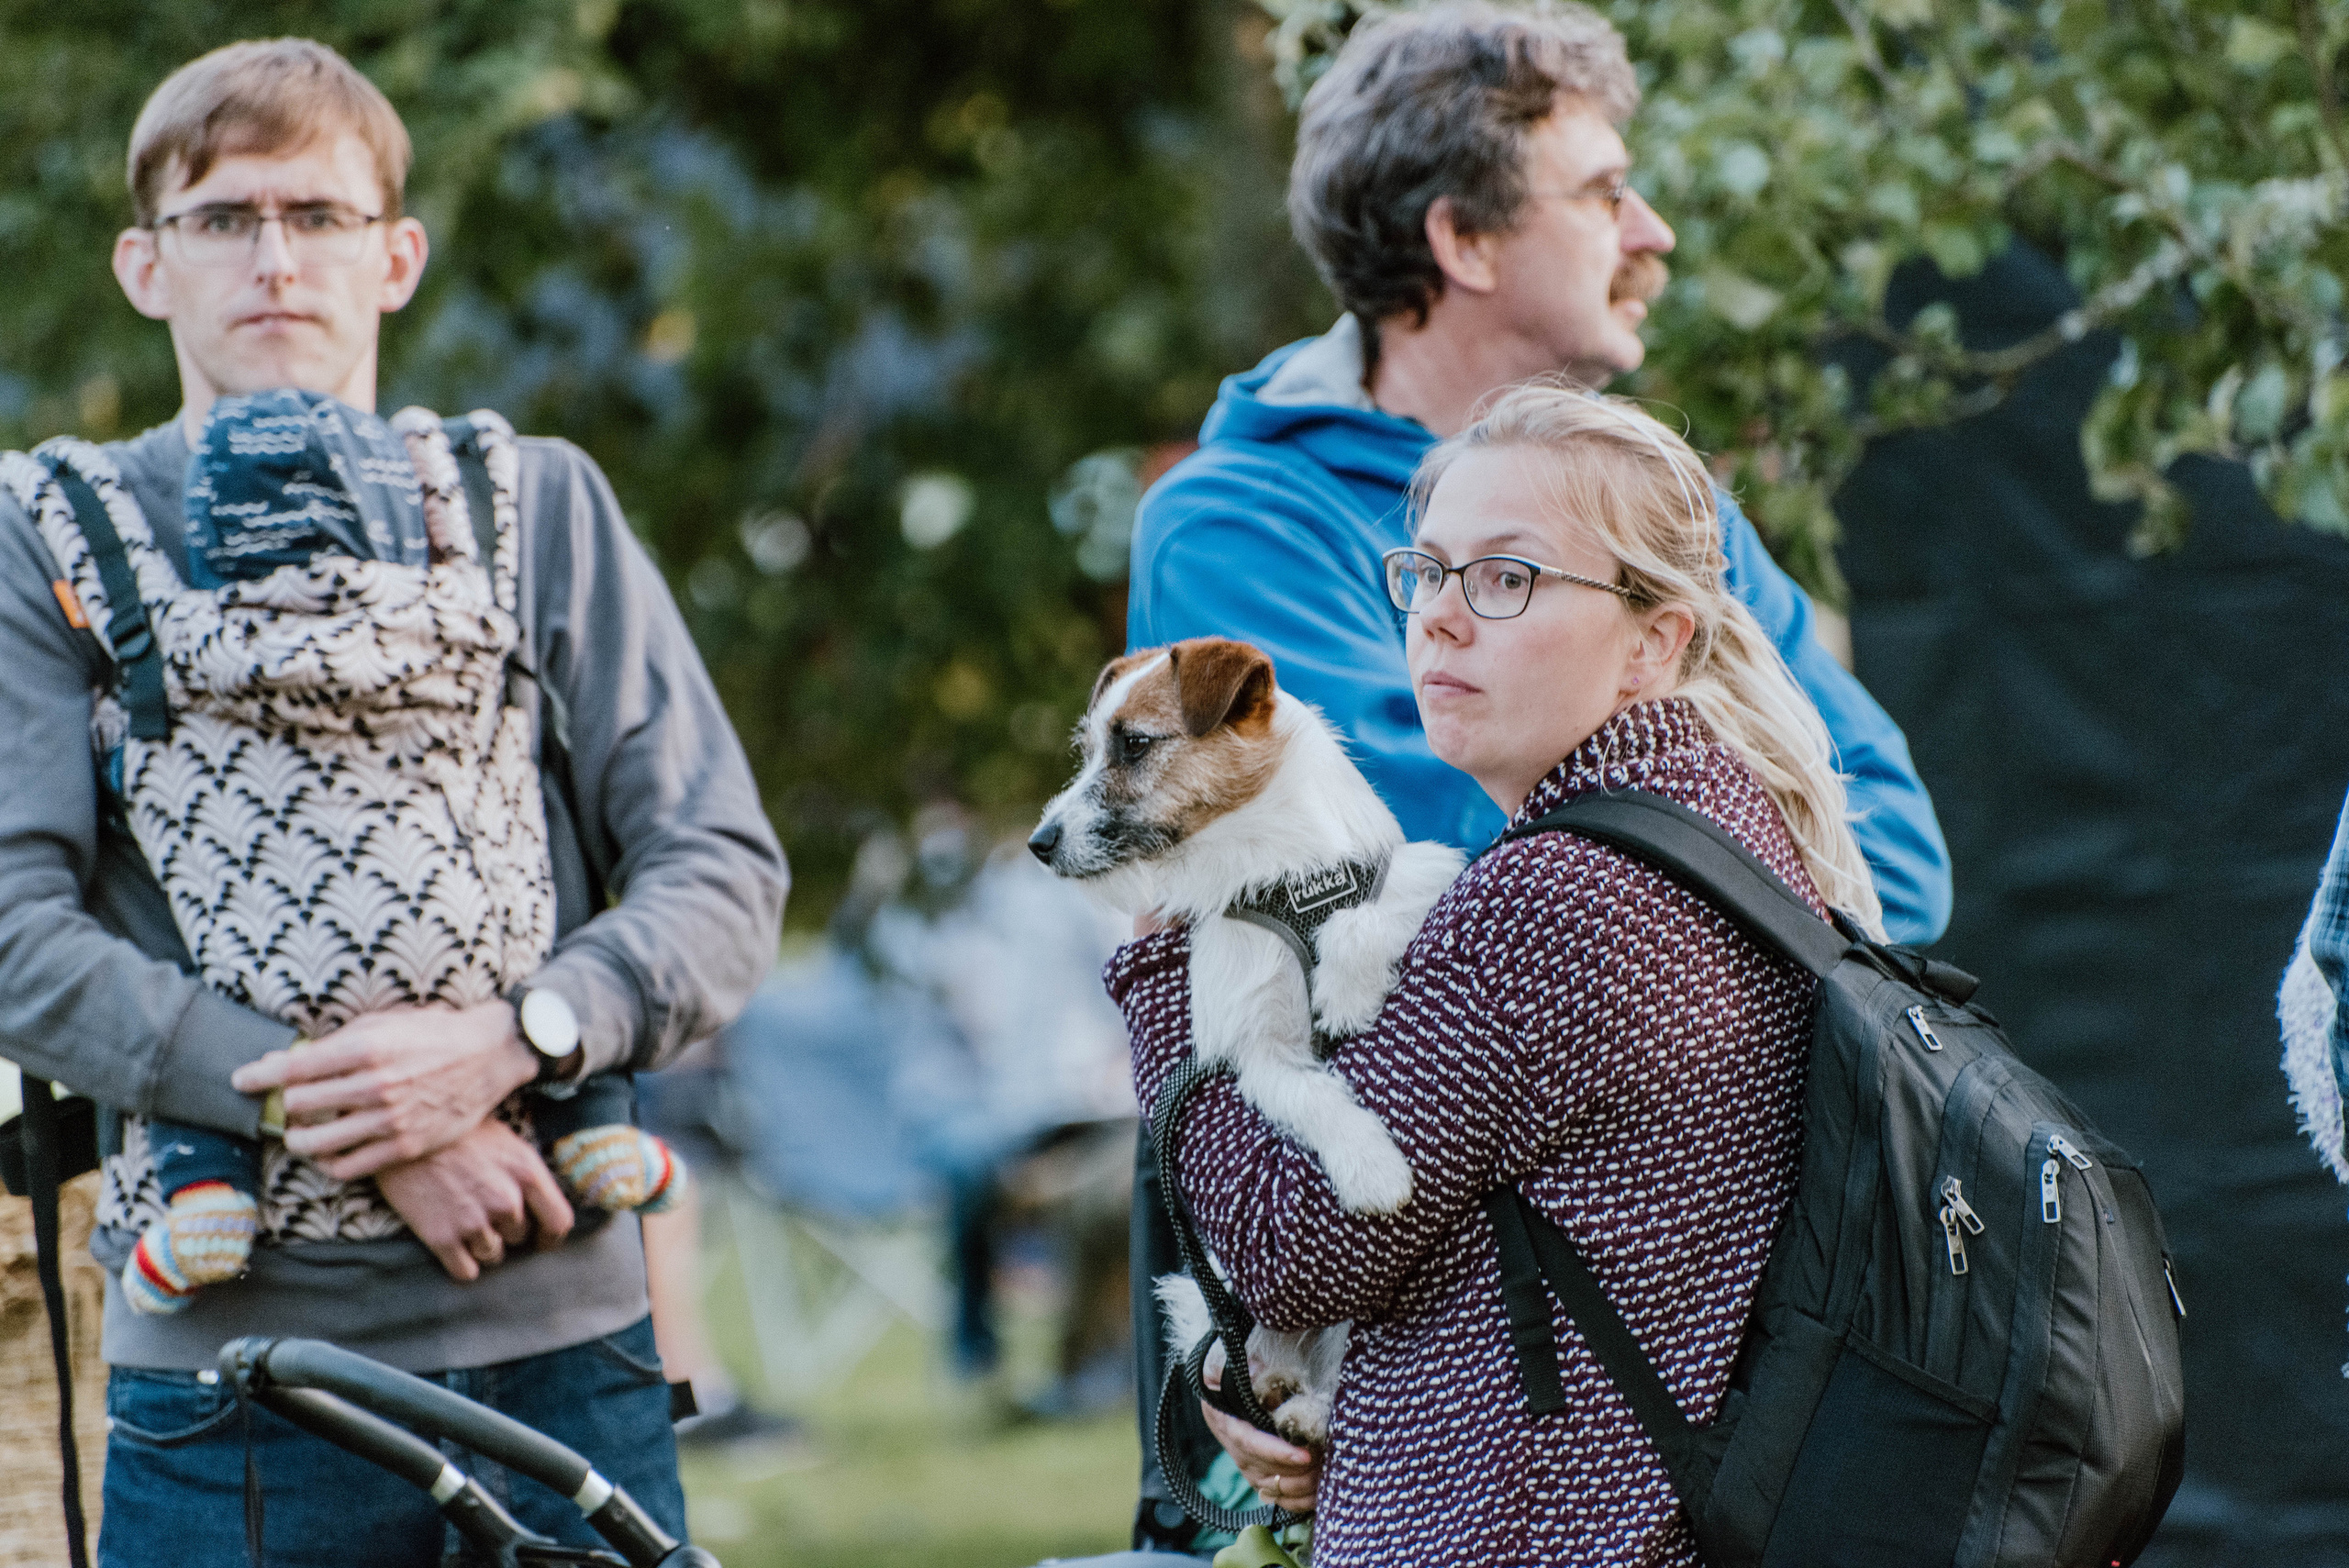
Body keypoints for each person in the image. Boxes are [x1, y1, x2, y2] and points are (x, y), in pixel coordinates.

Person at [1114, 4, 1952, 1551]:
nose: (1655, 230)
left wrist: (1659, 935)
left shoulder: (1654, 504)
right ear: (1464, 240)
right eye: (1605, 191)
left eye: (1507, 579)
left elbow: (1887, 839)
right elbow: (1391, 890)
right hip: (1355, 1344)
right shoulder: (1244, 522)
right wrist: (1695, 887)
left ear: (1655, 628)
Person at [0, 39, 785, 1564]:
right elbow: (14, 936)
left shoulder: (539, 503)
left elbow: (720, 867)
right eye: (222, 218)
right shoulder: (47, 539)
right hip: (234, 1382)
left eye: (319, 214)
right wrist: (359, 1112)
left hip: (572, 1359)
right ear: (145, 265)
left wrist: (514, 1041)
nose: (275, 260)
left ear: (399, 256)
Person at [1117, 384, 1858, 1564]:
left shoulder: (1553, 900)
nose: (1441, 620)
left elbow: (1285, 1255)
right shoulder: (1711, 822)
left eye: (1506, 577)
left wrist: (1168, 954)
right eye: (1427, 572)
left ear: (1653, 639)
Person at [114, 387, 683, 1318]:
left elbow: (714, 865)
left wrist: (505, 1045)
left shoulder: (164, 638)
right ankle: (592, 1123)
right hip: (478, 994)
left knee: (174, 929)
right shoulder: (467, 627)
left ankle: (209, 1189)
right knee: (554, 883)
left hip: (270, 990)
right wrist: (409, 1108)